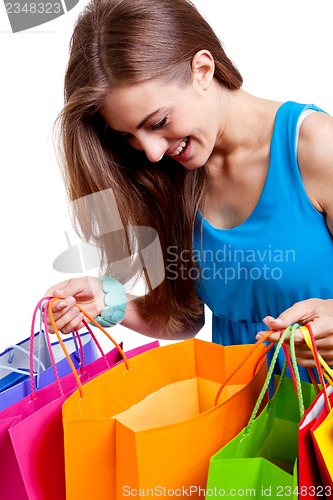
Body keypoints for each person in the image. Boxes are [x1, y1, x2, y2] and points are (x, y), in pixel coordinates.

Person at [46, 0, 333, 379]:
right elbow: (186, 316)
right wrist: (108, 301)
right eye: (129, 136)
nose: (151, 152)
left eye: (159, 122)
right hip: (244, 415)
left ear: (202, 69)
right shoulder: (170, 177)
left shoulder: (314, 147)